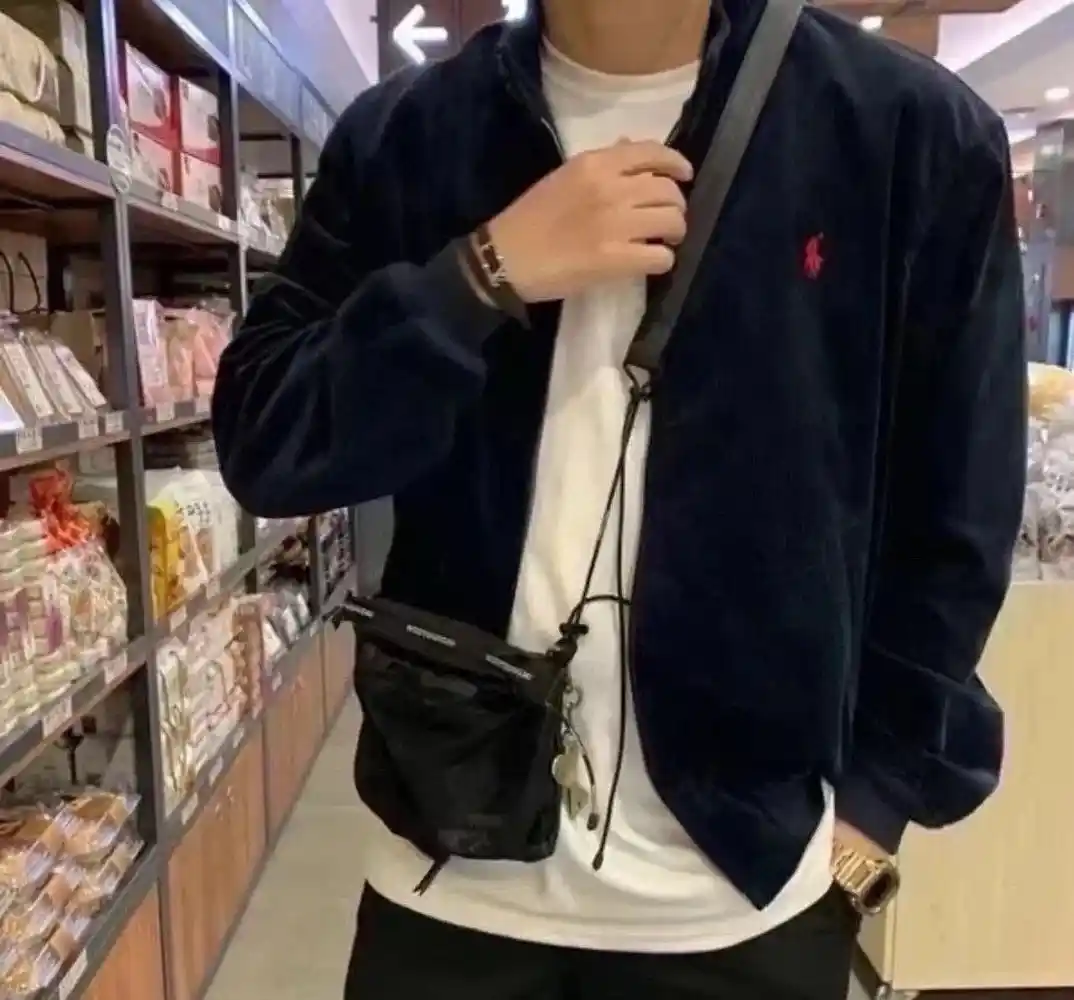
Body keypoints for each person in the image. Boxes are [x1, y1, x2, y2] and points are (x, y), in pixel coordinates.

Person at [211, 0, 1026, 996]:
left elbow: (958, 511)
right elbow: (269, 441)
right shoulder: (408, 134)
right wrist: (480, 275)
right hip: (449, 865)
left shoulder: (908, 133)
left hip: (745, 889)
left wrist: (875, 806)